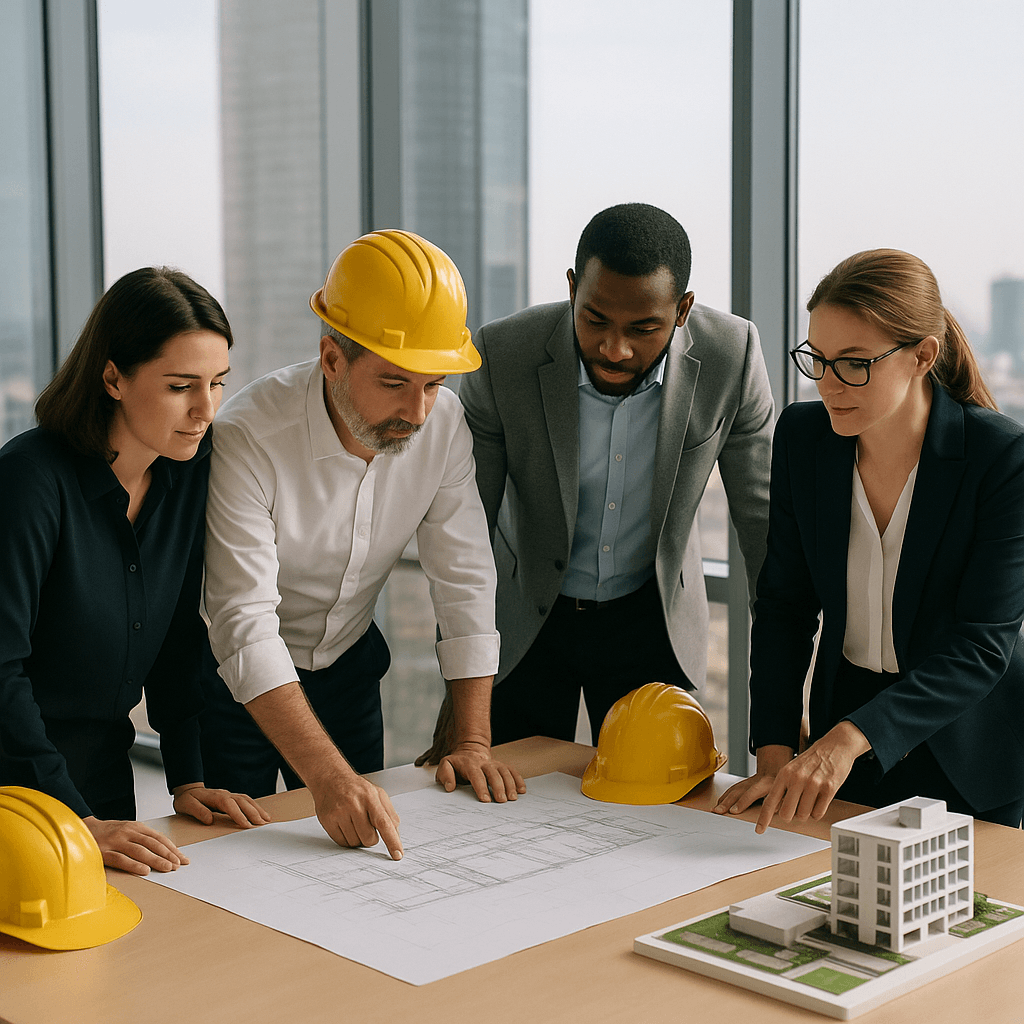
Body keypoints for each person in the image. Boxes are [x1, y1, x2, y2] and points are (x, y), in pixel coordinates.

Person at [200, 229, 525, 863]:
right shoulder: (248, 435)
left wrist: (474, 741)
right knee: (230, 868)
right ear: (331, 357)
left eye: (432, 385)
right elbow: (243, 622)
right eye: (395, 383)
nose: (419, 411)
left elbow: (464, 578)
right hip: (232, 689)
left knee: (355, 861)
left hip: (348, 671)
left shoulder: (445, 425)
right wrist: (326, 777)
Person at [418, 202, 773, 758]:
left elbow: (765, 528)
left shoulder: (733, 356)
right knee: (505, 812)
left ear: (682, 310)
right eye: (595, 320)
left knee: (658, 820)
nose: (614, 349)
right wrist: (460, 704)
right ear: (571, 289)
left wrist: (786, 696)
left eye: (643, 329)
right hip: (527, 622)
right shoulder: (502, 353)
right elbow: (464, 535)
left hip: (651, 620)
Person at [715, 248, 1024, 831]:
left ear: (921, 356)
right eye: (819, 359)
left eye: (854, 363)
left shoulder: (999, 457)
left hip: (970, 752)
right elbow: (785, 603)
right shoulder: (804, 439)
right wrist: (775, 752)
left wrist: (845, 740)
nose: (829, 384)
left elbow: (982, 644)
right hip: (848, 746)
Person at [0, 267, 270, 876]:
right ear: (113, 376)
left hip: (105, 778)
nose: (205, 409)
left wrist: (189, 776)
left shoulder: (186, 477)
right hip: (16, 788)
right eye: (181, 386)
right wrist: (69, 817)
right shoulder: (29, 481)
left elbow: (178, 632)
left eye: (218, 383)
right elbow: (1, 667)